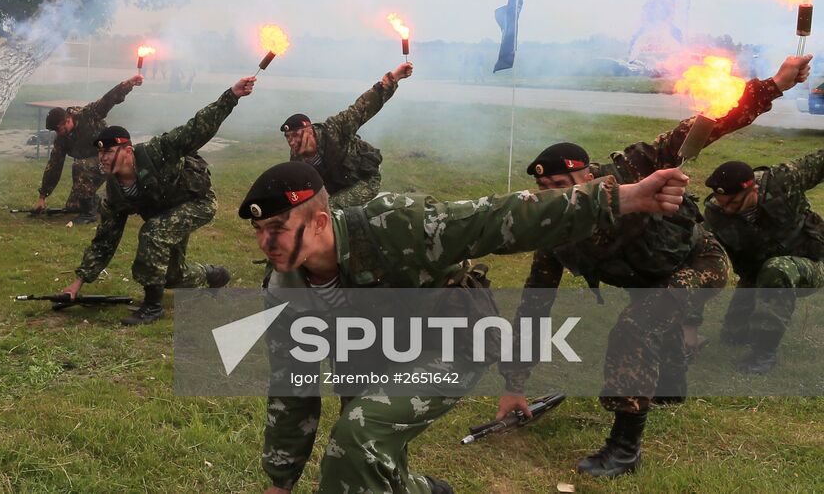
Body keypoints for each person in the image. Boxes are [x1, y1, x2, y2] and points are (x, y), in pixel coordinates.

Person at [243, 159, 693, 494]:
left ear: (320, 221)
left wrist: (621, 198)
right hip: (372, 349)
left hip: (453, 341)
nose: (267, 243)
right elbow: (292, 385)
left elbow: (498, 217)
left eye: (278, 228)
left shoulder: (395, 224)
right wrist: (281, 481)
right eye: (259, 230)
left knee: (357, 435)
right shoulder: (285, 290)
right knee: (373, 449)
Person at [495, 53, 812, 478]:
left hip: (698, 261)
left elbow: (703, 126)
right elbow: (534, 307)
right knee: (656, 328)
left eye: (560, 185)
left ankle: (625, 449)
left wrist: (774, 84)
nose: (553, 195)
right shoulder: (555, 230)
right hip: (646, 276)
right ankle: (671, 379)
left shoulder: (628, 170)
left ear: (588, 175)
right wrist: (514, 385)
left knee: (636, 324)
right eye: (544, 188)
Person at [60, 76, 254, 324]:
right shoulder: (115, 192)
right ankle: (212, 275)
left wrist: (232, 95)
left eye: (108, 152)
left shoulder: (159, 151)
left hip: (198, 202)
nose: (102, 159)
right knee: (172, 276)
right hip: (167, 214)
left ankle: (152, 307)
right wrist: (77, 283)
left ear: (127, 151)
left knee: (153, 233)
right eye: (100, 153)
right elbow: (105, 240)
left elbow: (197, 127)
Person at [703, 148, 824, 372]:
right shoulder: (714, 215)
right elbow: (701, 261)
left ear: (753, 188)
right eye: (723, 204)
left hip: (813, 262)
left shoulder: (783, 181)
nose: (728, 210)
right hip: (758, 274)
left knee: (777, 269)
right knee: (734, 336)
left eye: (735, 203)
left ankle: (763, 354)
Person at [279, 62, 413, 211]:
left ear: (309, 131)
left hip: (364, 180)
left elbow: (364, 106)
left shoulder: (333, 129)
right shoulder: (297, 157)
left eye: (296, 135)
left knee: (329, 208)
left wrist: (394, 77)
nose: (292, 142)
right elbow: (298, 187)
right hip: (338, 187)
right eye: (288, 137)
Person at [34, 74, 143, 225]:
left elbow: (108, 100)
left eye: (58, 129)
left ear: (67, 120)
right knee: (73, 206)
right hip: (92, 167)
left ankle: (89, 214)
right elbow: (54, 166)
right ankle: (102, 201)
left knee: (80, 165)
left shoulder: (88, 115)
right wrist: (42, 196)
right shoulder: (61, 139)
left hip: (110, 158)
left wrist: (128, 84)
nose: (57, 133)